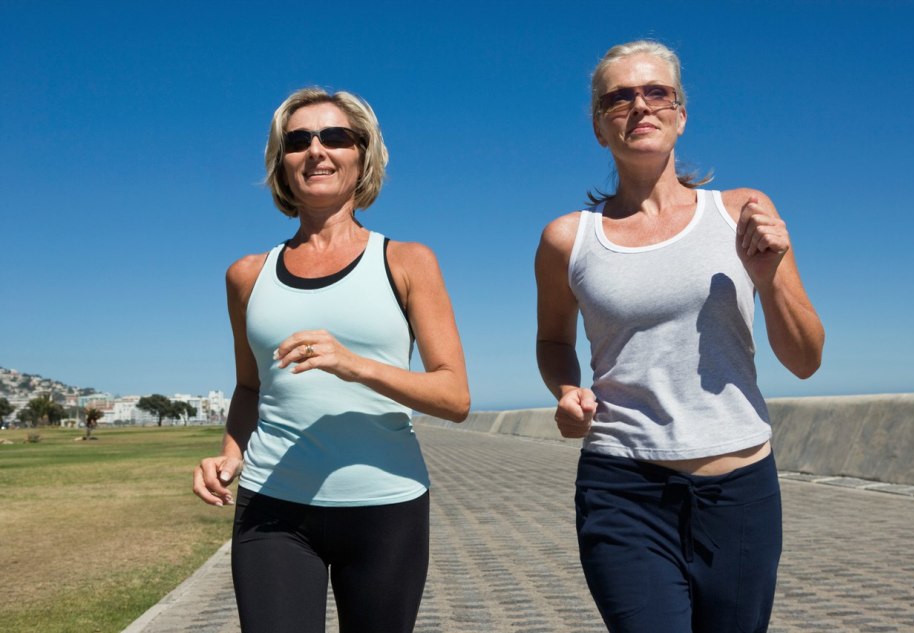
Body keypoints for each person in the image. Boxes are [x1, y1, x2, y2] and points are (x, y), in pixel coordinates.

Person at [535, 40, 824, 633]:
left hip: (739, 490)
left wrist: (769, 278)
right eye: (619, 98)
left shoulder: (742, 211)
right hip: (622, 487)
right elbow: (553, 342)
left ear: (681, 113)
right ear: (599, 127)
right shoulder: (569, 238)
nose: (639, 106)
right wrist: (567, 390)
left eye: (656, 92)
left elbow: (805, 360)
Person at [193, 86, 470, 633]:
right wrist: (228, 453)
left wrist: (354, 364)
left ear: (363, 154)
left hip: (385, 506)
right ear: (282, 163)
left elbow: (455, 396)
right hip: (272, 507)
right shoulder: (247, 275)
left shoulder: (407, 262)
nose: (316, 150)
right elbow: (251, 388)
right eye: (298, 141)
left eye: (335, 136)